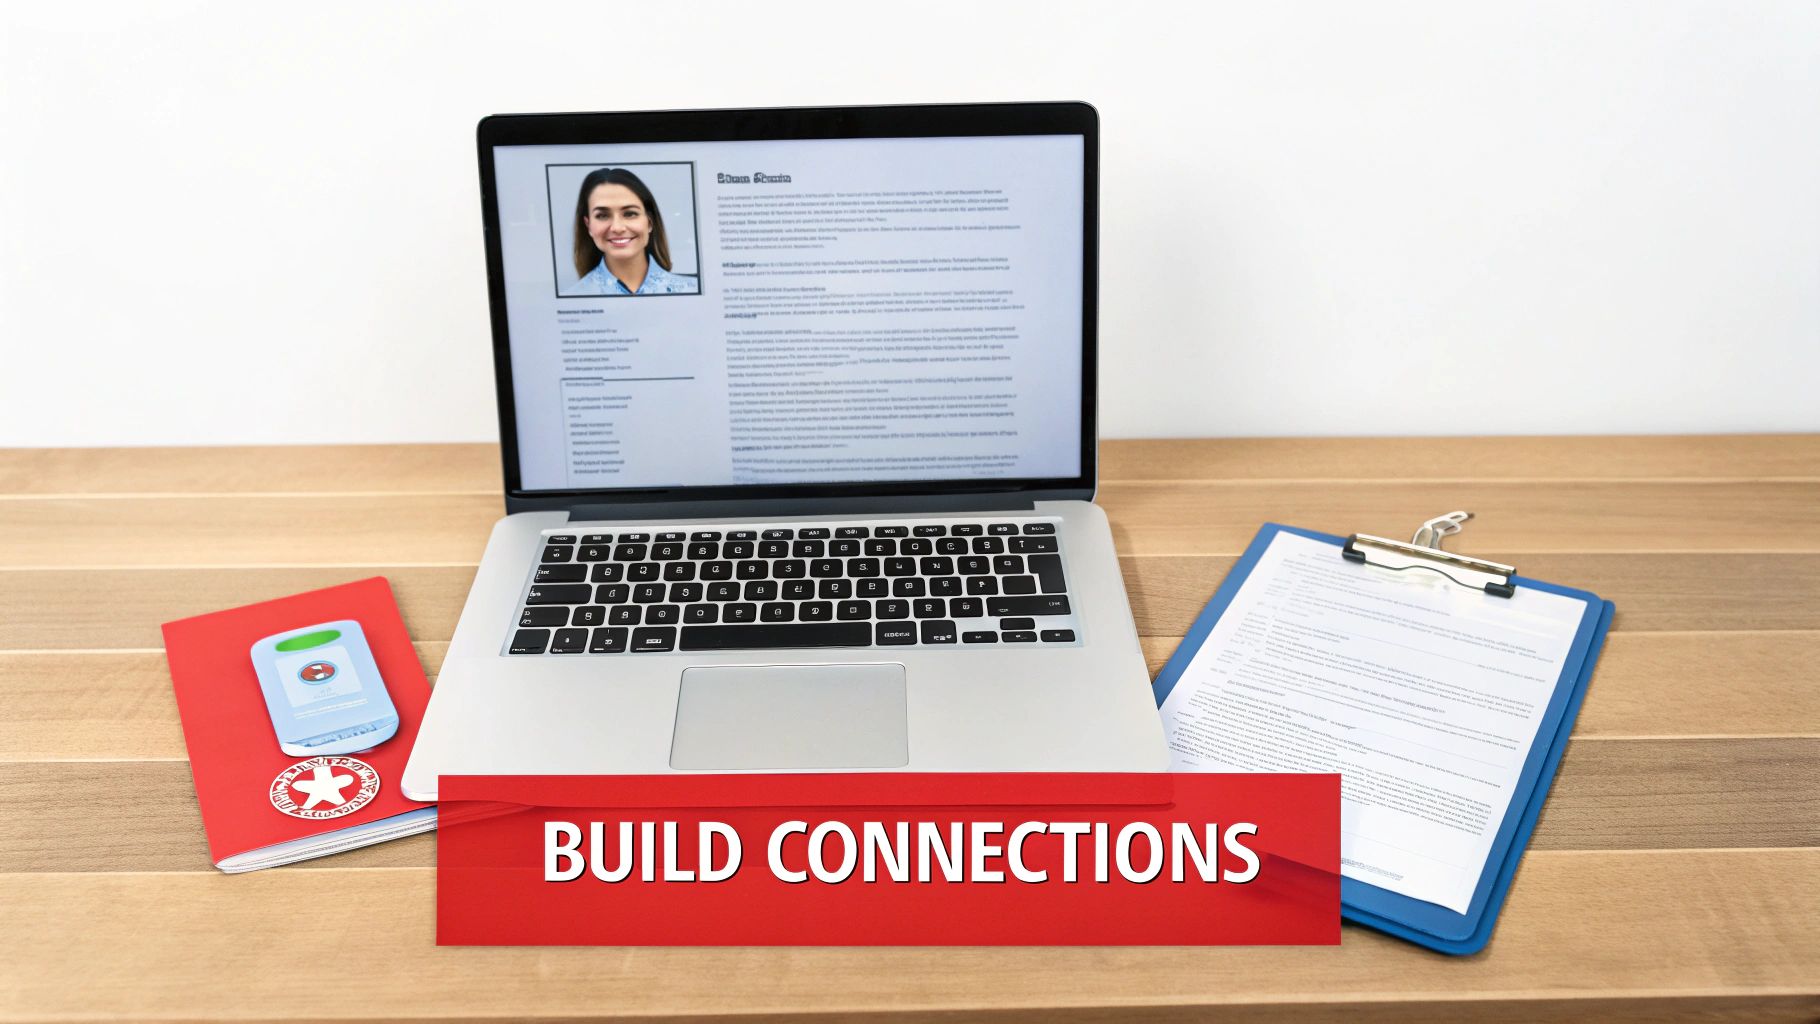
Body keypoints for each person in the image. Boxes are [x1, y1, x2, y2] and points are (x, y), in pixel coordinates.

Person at [569, 167, 699, 296]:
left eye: (630, 214)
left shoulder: (693, 290)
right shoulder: (571, 298)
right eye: (602, 216)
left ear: (649, 222)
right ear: (588, 226)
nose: (617, 228)